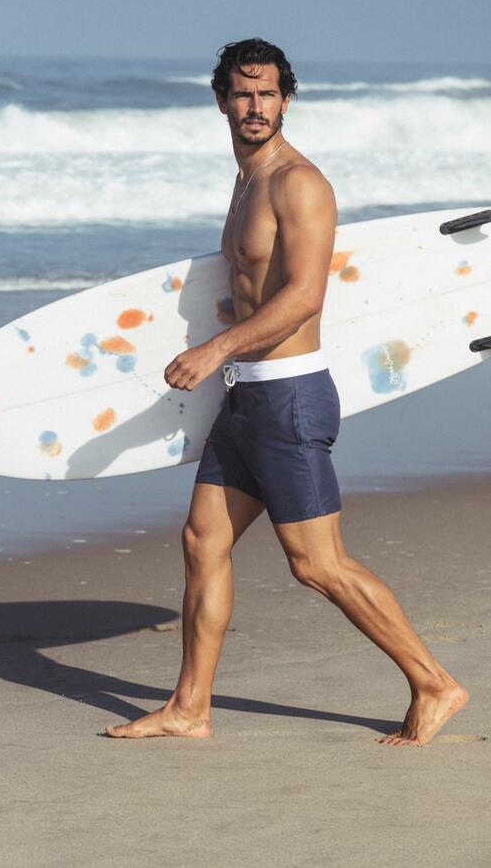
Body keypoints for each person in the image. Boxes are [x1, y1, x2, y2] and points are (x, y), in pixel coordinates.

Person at [105, 38, 468, 745]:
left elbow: (303, 297)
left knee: (316, 563)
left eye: (267, 93)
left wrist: (214, 349)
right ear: (221, 101)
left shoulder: (298, 183)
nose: (255, 106)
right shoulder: (246, 181)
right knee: (202, 540)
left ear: (286, 100)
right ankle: (189, 708)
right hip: (245, 398)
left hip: (289, 399)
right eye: (242, 94)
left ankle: (434, 682)